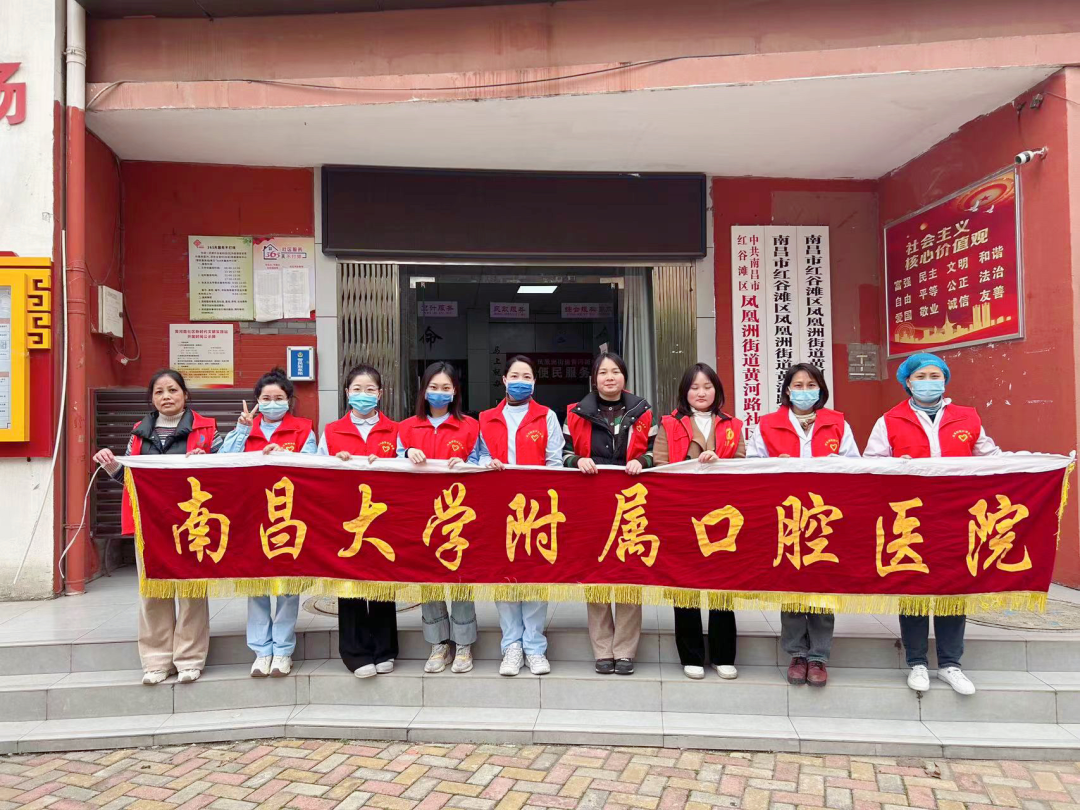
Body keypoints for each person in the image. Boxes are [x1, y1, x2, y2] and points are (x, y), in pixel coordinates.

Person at [864, 351, 1000, 696]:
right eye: (920, 377)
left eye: (934, 376)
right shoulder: (889, 420)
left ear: (945, 380)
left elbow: (993, 460)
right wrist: (897, 467)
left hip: (957, 517)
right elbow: (870, 465)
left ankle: (951, 664)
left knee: (954, 588)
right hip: (909, 518)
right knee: (914, 587)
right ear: (908, 382)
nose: (928, 383)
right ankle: (917, 662)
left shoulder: (968, 417)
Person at [91, 369, 222, 685]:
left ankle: (190, 659)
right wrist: (111, 466)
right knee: (152, 591)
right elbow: (131, 479)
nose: (167, 396)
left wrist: (205, 461)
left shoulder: (208, 429)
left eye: (173, 390)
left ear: (185, 395)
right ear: (151, 398)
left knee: (191, 591)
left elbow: (223, 474)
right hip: (150, 525)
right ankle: (156, 661)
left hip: (192, 522)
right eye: (159, 391)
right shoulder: (138, 433)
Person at [747, 362, 860, 688]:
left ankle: (819, 655)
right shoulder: (768, 425)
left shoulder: (837, 424)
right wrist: (773, 465)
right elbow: (751, 467)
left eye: (811, 385)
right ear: (787, 390)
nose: (804, 391)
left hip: (826, 516)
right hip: (787, 515)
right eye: (798, 385)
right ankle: (797, 653)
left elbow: (855, 465)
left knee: (823, 584)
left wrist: (835, 464)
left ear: (820, 389)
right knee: (792, 583)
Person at [563, 351, 656, 676]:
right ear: (595, 378)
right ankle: (603, 649)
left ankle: (625, 651)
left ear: (624, 377)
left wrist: (642, 462)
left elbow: (656, 453)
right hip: (592, 504)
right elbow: (562, 454)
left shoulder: (643, 411)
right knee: (597, 573)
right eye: (603, 372)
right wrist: (577, 460)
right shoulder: (575, 413)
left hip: (632, 503)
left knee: (629, 572)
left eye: (615, 371)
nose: (609, 377)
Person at [471, 355, 565, 677]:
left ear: (534, 382)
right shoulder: (485, 418)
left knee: (535, 574)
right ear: (504, 380)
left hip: (537, 508)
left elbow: (554, 462)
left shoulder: (546, 416)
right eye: (515, 375)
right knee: (504, 574)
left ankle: (535, 646)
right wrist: (486, 463)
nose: (520, 381)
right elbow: (476, 456)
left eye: (527, 376)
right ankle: (511, 645)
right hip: (498, 507)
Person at [222, 368, 316, 678]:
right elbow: (223, 462)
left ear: (289, 400)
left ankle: (283, 651)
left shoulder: (303, 429)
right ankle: (262, 651)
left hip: (288, 516)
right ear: (256, 401)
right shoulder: (245, 428)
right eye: (266, 398)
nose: (272, 403)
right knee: (257, 583)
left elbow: (313, 467)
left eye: (278, 397)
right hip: (252, 515)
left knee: (287, 585)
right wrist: (241, 430)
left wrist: (284, 458)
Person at [653, 363, 743, 681]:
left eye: (707, 386)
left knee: (722, 584)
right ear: (685, 392)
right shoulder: (669, 424)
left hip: (723, 516)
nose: (701, 393)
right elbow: (660, 466)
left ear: (716, 390)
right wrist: (691, 465)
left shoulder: (733, 425)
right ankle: (690, 655)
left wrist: (721, 463)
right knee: (685, 584)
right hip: (683, 513)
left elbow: (744, 466)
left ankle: (723, 655)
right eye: (694, 387)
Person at [398, 361, 483, 674]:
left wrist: (468, 464)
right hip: (420, 514)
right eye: (433, 387)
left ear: (455, 392)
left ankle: (464, 643)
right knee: (428, 577)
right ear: (424, 390)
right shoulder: (406, 428)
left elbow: (483, 459)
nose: (439, 392)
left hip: (458, 513)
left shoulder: (470, 426)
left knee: (460, 577)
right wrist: (406, 454)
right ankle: (437, 643)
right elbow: (388, 463)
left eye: (446, 387)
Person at [318, 363, 400, 679]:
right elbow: (316, 472)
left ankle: (384, 649)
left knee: (382, 582)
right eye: (357, 389)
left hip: (382, 518)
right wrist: (333, 461)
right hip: (346, 517)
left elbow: (407, 466)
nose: (363, 395)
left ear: (380, 394)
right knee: (349, 581)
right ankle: (355, 652)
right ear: (347, 393)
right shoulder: (332, 431)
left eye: (369, 390)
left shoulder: (395, 430)